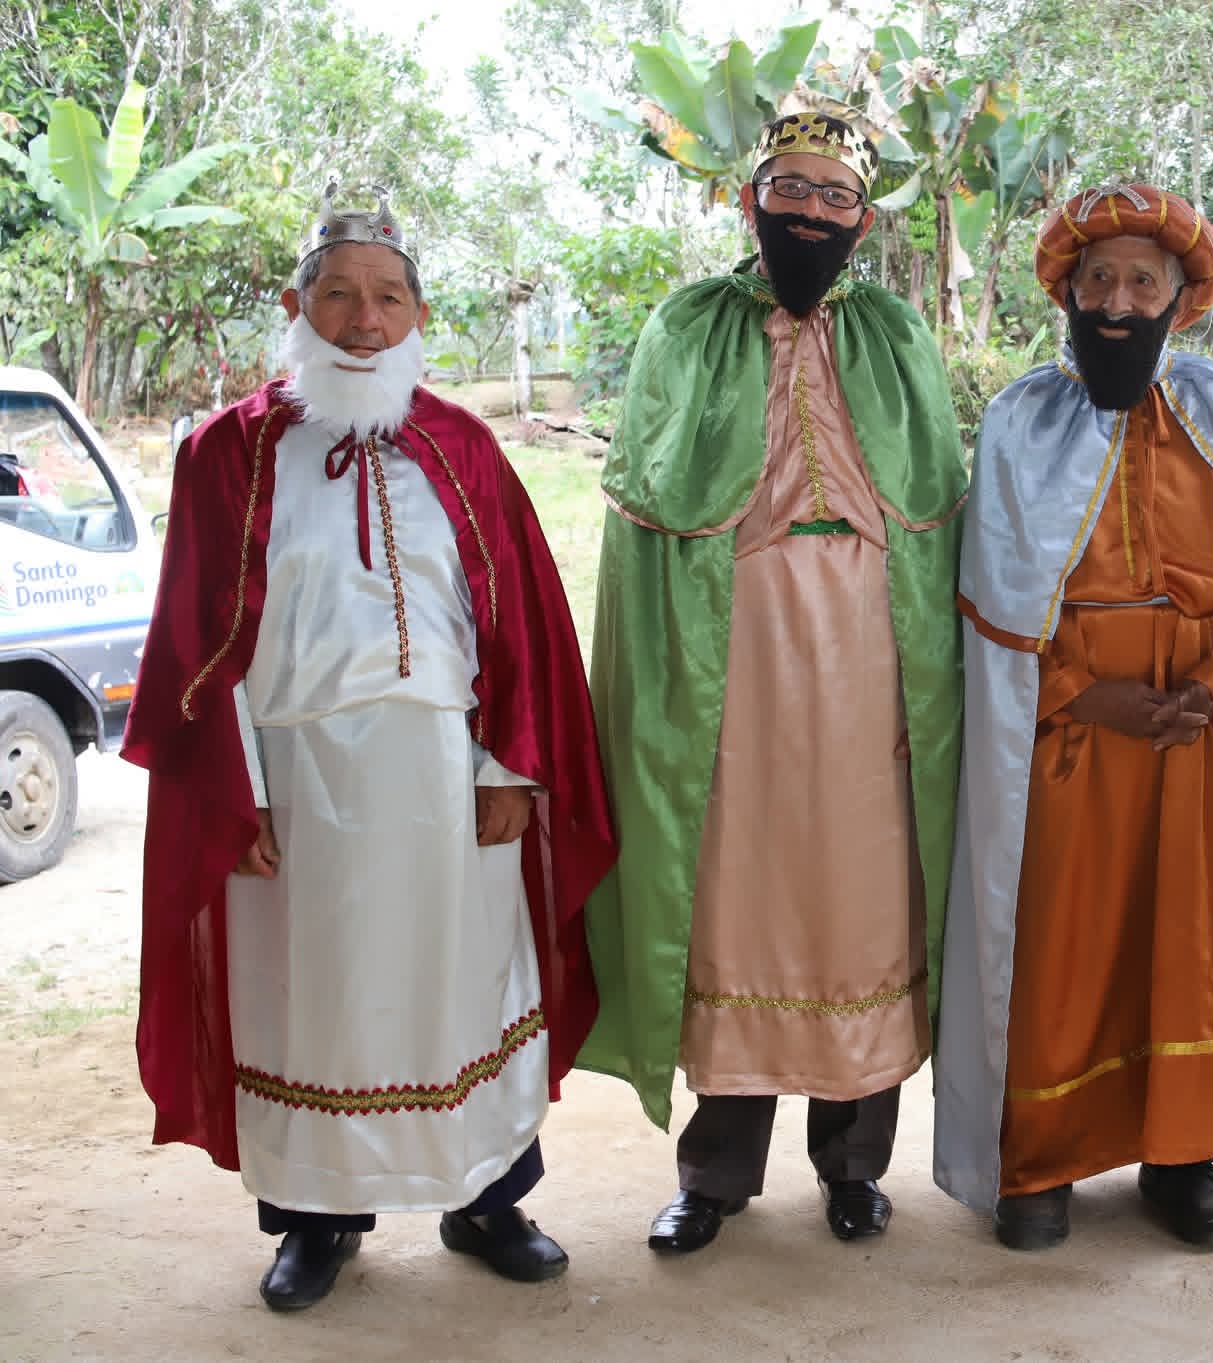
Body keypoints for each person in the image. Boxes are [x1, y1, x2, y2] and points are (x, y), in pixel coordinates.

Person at [128, 184, 616, 1312]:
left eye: (388, 298)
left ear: (419, 314)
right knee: (313, 999)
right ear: (295, 305)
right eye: (339, 295)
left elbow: (522, 627)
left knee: (464, 987)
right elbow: (198, 642)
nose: (363, 321)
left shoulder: (466, 447)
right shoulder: (226, 453)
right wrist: (237, 796)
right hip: (295, 787)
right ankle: (316, 1219)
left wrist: (510, 769)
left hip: (447, 779)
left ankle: (486, 1198)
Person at [580, 112, 965, 1254]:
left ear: (863, 220)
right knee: (732, 903)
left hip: (872, 663)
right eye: (788, 188)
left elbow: (939, 517)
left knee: (865, 907)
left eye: (834, 195)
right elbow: (654, 513)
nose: (808, 211)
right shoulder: (688, 326)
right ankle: (714, 1177)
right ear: (749, 200)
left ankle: (853, 1167)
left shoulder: (896, 335)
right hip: (732, 663)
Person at [933, 184, 1213, 1252]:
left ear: (1179, 299)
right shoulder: (1017, 422)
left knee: (1191, 947)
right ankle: (1042, 1160)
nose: (1116, 300)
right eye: (1097, 278)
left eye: (1143, 280)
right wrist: (1082, 692)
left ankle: (1183, 1158)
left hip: (1197, 738)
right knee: (1062, 947)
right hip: (1068, 733)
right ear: (1066, 292)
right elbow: (990, 605)